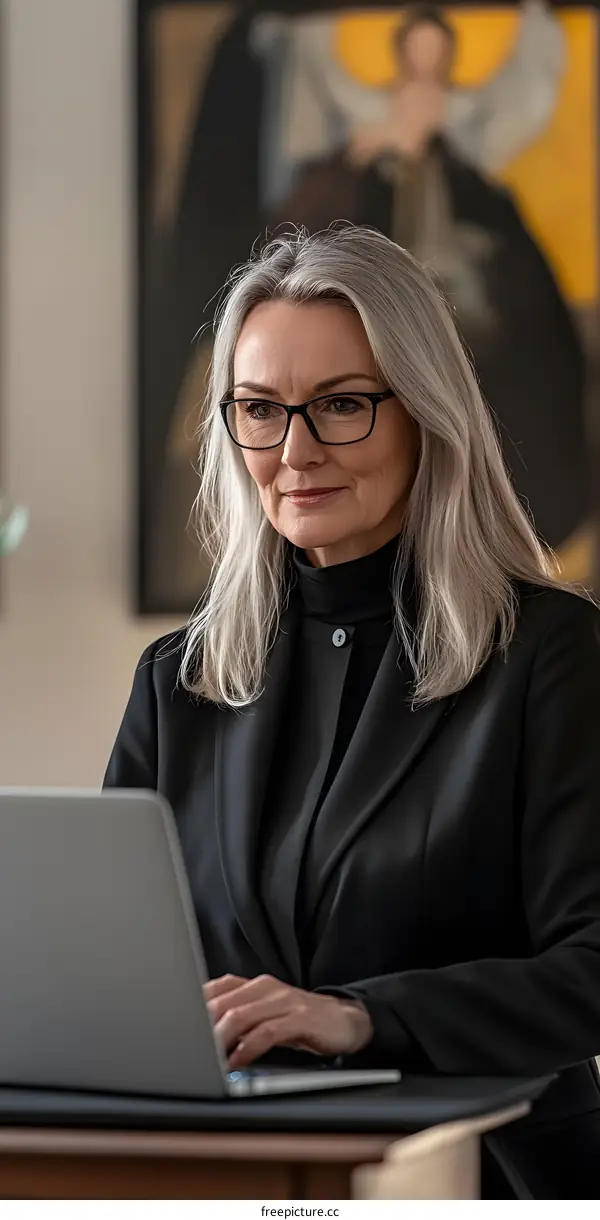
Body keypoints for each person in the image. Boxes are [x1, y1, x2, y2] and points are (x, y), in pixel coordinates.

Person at [106, 226, 600, 1199]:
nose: (294, 451)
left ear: (426, 411)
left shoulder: (550, 654)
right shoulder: (179, 681)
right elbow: (115, 974)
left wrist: (359, 1014)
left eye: (340, 405)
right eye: (258, 408)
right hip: (228, 1178)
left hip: (483, 1177)